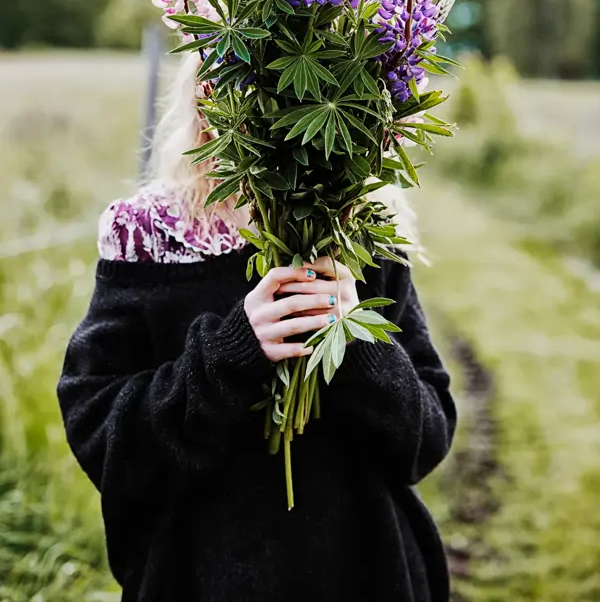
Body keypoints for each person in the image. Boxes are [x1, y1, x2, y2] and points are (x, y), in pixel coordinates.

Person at [57, 52, 457, 602]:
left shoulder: (358, 222)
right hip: (198, 576)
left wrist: (356, 341)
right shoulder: (149, 233)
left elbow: (427, 439)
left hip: (368, 570)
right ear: (208, 89)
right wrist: (232, 355)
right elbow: (102, 438)